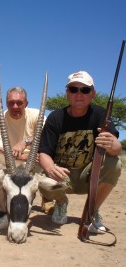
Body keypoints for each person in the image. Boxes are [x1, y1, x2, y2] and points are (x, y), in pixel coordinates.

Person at [38, 70, 122, 233]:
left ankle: (92, 210)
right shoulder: (55, 117)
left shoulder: (100, 114)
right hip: (63, 176)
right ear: (67, 93)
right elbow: (44, 152)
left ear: (93, 94)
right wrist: (49, 168)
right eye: (73, 89)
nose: (79, 94)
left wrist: (113, 144)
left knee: (115, 163)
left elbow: (116, 149)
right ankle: (61, 203)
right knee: (40, 173)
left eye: (84, 90)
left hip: (88, 175)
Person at [0, 86, 44, 162]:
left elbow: (46, 132)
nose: (15, 107)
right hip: (10, 161)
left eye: (19, 103)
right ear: (6, 104)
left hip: (35, 160)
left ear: (26, 104)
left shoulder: (36, 115)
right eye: (11, 103)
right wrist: (22, 157)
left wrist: (25, 141)